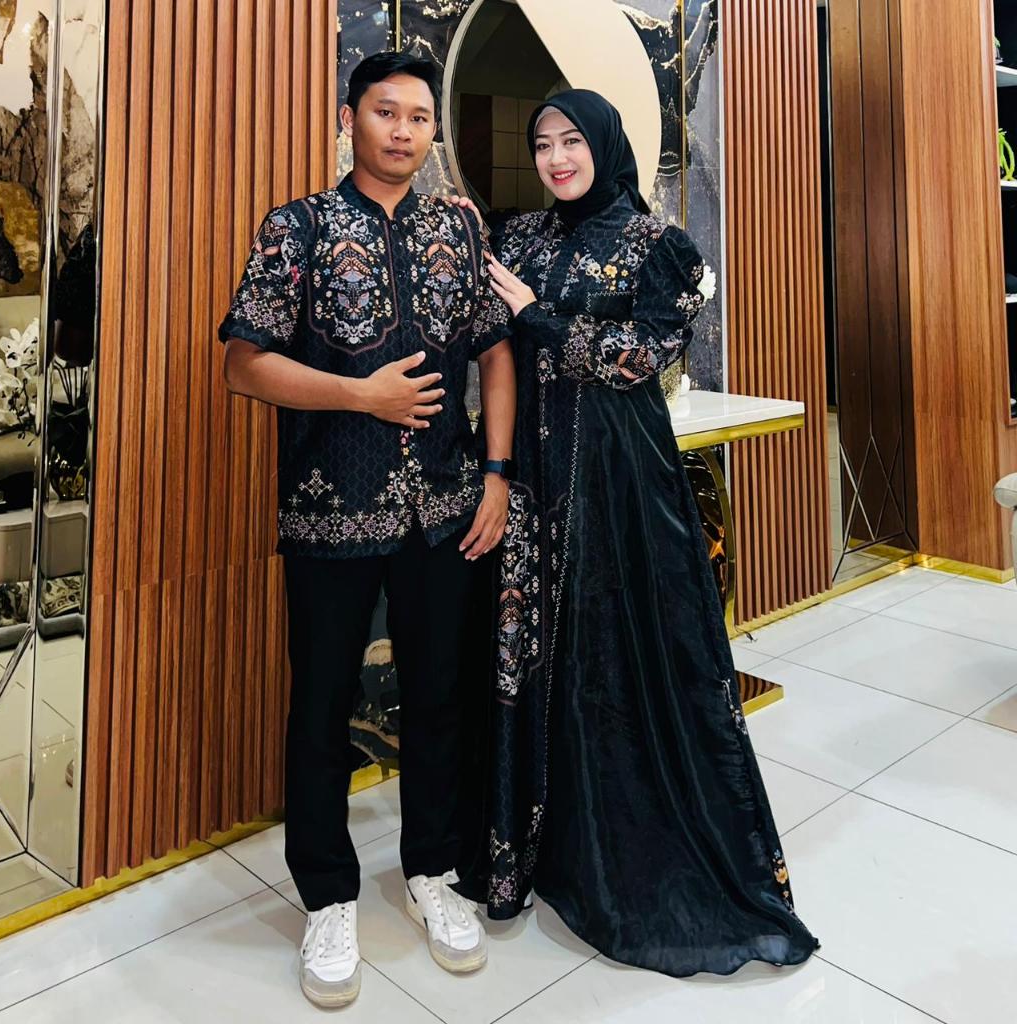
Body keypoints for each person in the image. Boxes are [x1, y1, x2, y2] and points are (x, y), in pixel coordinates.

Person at [469, 89, 819, 977]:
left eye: (571, 141)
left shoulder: (660, 246)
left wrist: (538, 315)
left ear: (605, 145)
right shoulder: (521, 237)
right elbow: (489, 343)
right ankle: (534, 850)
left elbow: (637, 360)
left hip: (618, 480)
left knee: (616, 654)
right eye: (542, 143)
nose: (556, 158)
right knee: (536, 652)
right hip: (534, 475)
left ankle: (624, 856)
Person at [218, 51, 515, 1008]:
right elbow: (242, 363)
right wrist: (362, 396)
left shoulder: (457, 229)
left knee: (439, 697)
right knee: (321, 706)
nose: (403, 131)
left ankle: (433, 871)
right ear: (348, 119)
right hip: (329, 509)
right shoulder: (296, 227)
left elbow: (495, 354)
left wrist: (498, 476)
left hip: (445, 509)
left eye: (419, 117)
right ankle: (327, 897)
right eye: (385, 112)